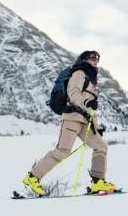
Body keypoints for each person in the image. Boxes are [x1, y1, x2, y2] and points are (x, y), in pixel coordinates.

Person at [22, 51, 116, 196]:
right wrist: (86, 102)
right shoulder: (79, 73)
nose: (96, 61)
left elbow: (89, 106)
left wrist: (95, 126)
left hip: (86, 121)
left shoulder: (91, 78)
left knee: (101, 146)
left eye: (97, 58)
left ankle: (98, 182)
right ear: (84, 59)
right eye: (92, 58)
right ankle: (32, 177)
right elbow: (73, 93)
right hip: (72, 117)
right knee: (62, 151)